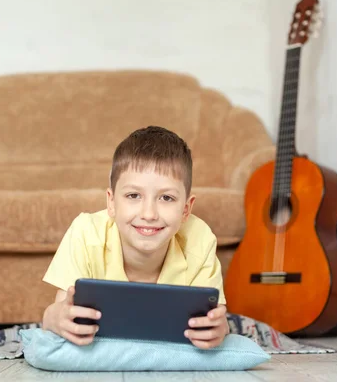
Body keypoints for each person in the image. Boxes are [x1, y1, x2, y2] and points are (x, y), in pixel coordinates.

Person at [41, 125, 229, 349]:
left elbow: (217, 320)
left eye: (166, 198)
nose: (148, 214)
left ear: (186, 209)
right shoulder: (86, 232)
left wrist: (219, 329)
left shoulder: (200, 240)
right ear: (111, 202)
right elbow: (60, 310)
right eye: (133, 195)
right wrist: (53, 319)